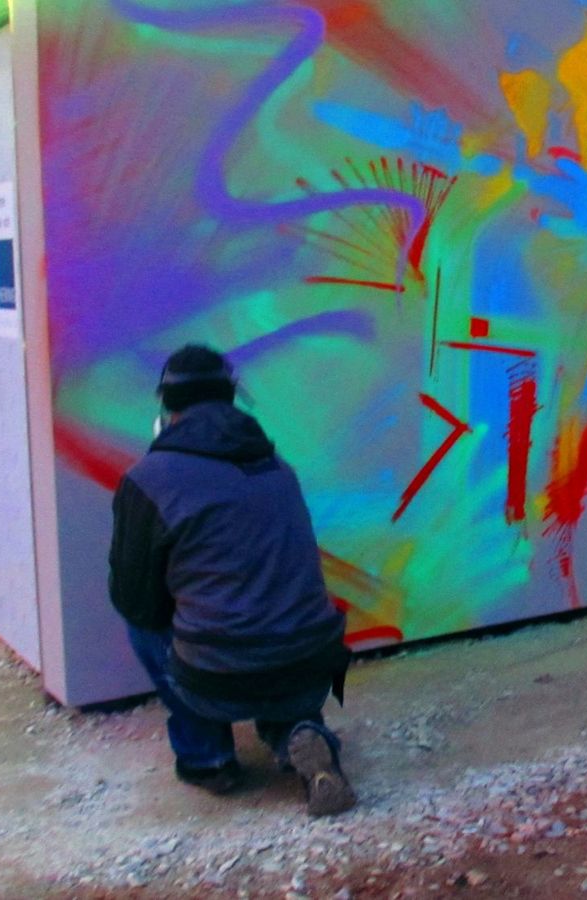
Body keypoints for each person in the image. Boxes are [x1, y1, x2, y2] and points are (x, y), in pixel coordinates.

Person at [108, 344, 356, 816]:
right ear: (232, 397)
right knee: (274, 615)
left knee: (144, 622)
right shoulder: (278, 468)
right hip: (311, 664)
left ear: (166, 406)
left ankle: (208, 757)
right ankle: (298, 733)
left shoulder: (149, 478)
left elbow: (133, 598)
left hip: (217, 676)